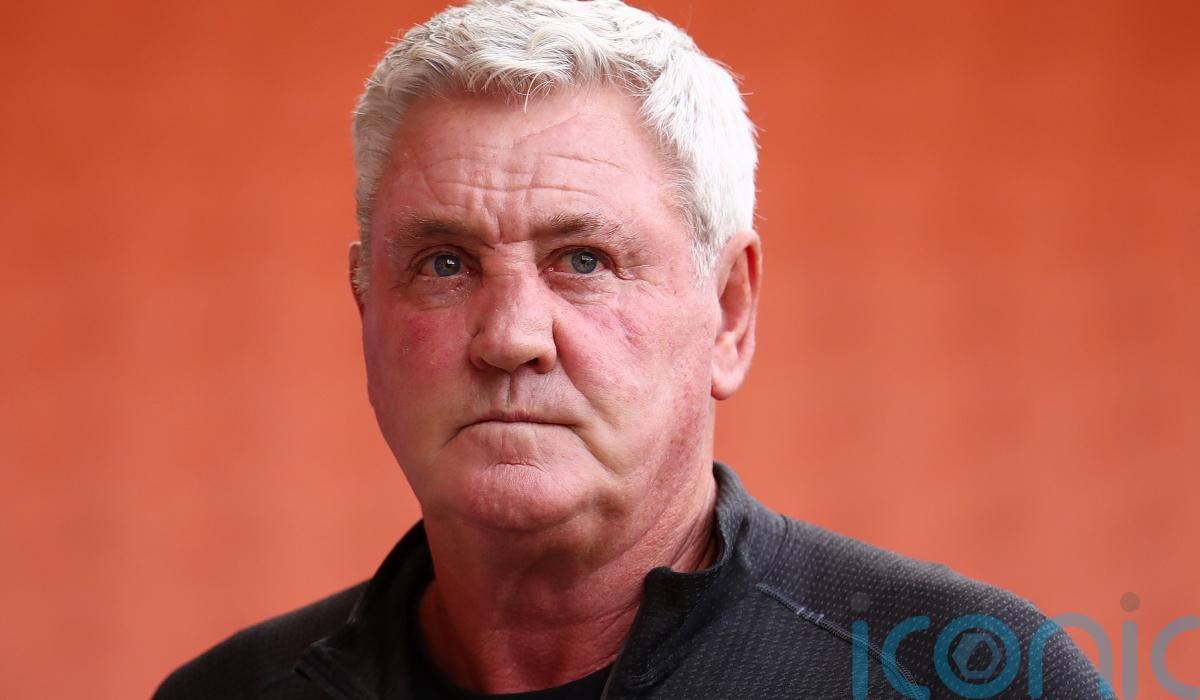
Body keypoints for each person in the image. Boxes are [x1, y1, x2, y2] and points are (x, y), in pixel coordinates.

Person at [155, 1, 1108, 698]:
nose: (510, 336)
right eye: (445, 264)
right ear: (365, 304)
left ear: (728, 313)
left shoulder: (969, 679)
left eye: (584, 260)